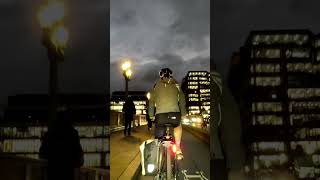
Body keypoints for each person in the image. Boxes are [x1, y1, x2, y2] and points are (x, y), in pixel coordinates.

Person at [148, 68, 187, 160]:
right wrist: (183, 113)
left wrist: (151, 115)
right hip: (175, 115)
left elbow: (151, 102)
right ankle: (177, 149)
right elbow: (182, 99)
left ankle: (158, 154)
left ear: (160, 75)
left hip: (160, 117)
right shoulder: (176, 85)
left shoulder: (156, 86)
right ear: (171, 75)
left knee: (158, 135)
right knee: (178, 126)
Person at [39, 107, 84, 180]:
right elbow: (79, 158)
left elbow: (42, 153)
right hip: (68, 173)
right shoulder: (72, 133)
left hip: (52, 173)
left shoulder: (50, 133)